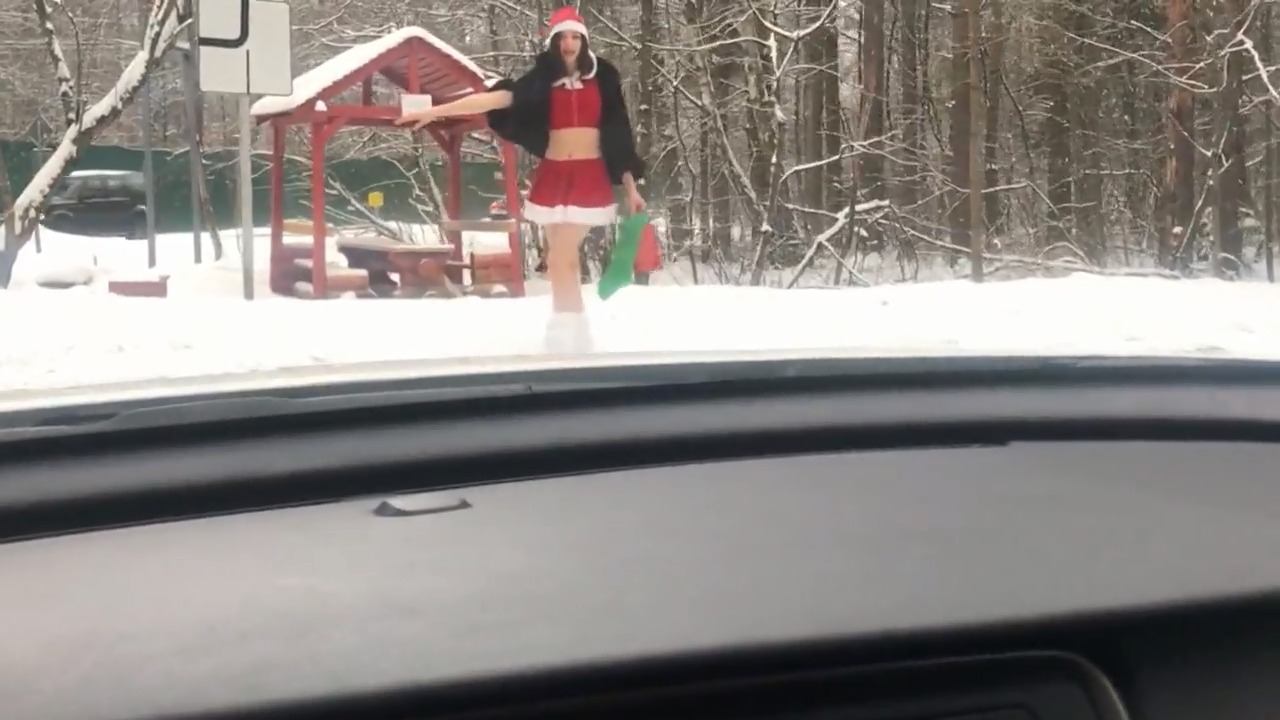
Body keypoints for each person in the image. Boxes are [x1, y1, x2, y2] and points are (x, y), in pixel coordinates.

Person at [396, 6, 646, 353]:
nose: (569, 44)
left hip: (588, 176)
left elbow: (619, 132)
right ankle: (572, 332)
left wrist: (631, 187)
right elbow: (495, 98)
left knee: (560, 256)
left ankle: (567, 332)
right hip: (553, 176)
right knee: (561, 261)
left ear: (584, 41)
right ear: (554, 42)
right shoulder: (541, 80)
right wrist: (433, 112)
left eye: (575, 37)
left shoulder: (603, 77)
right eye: (563, 38)